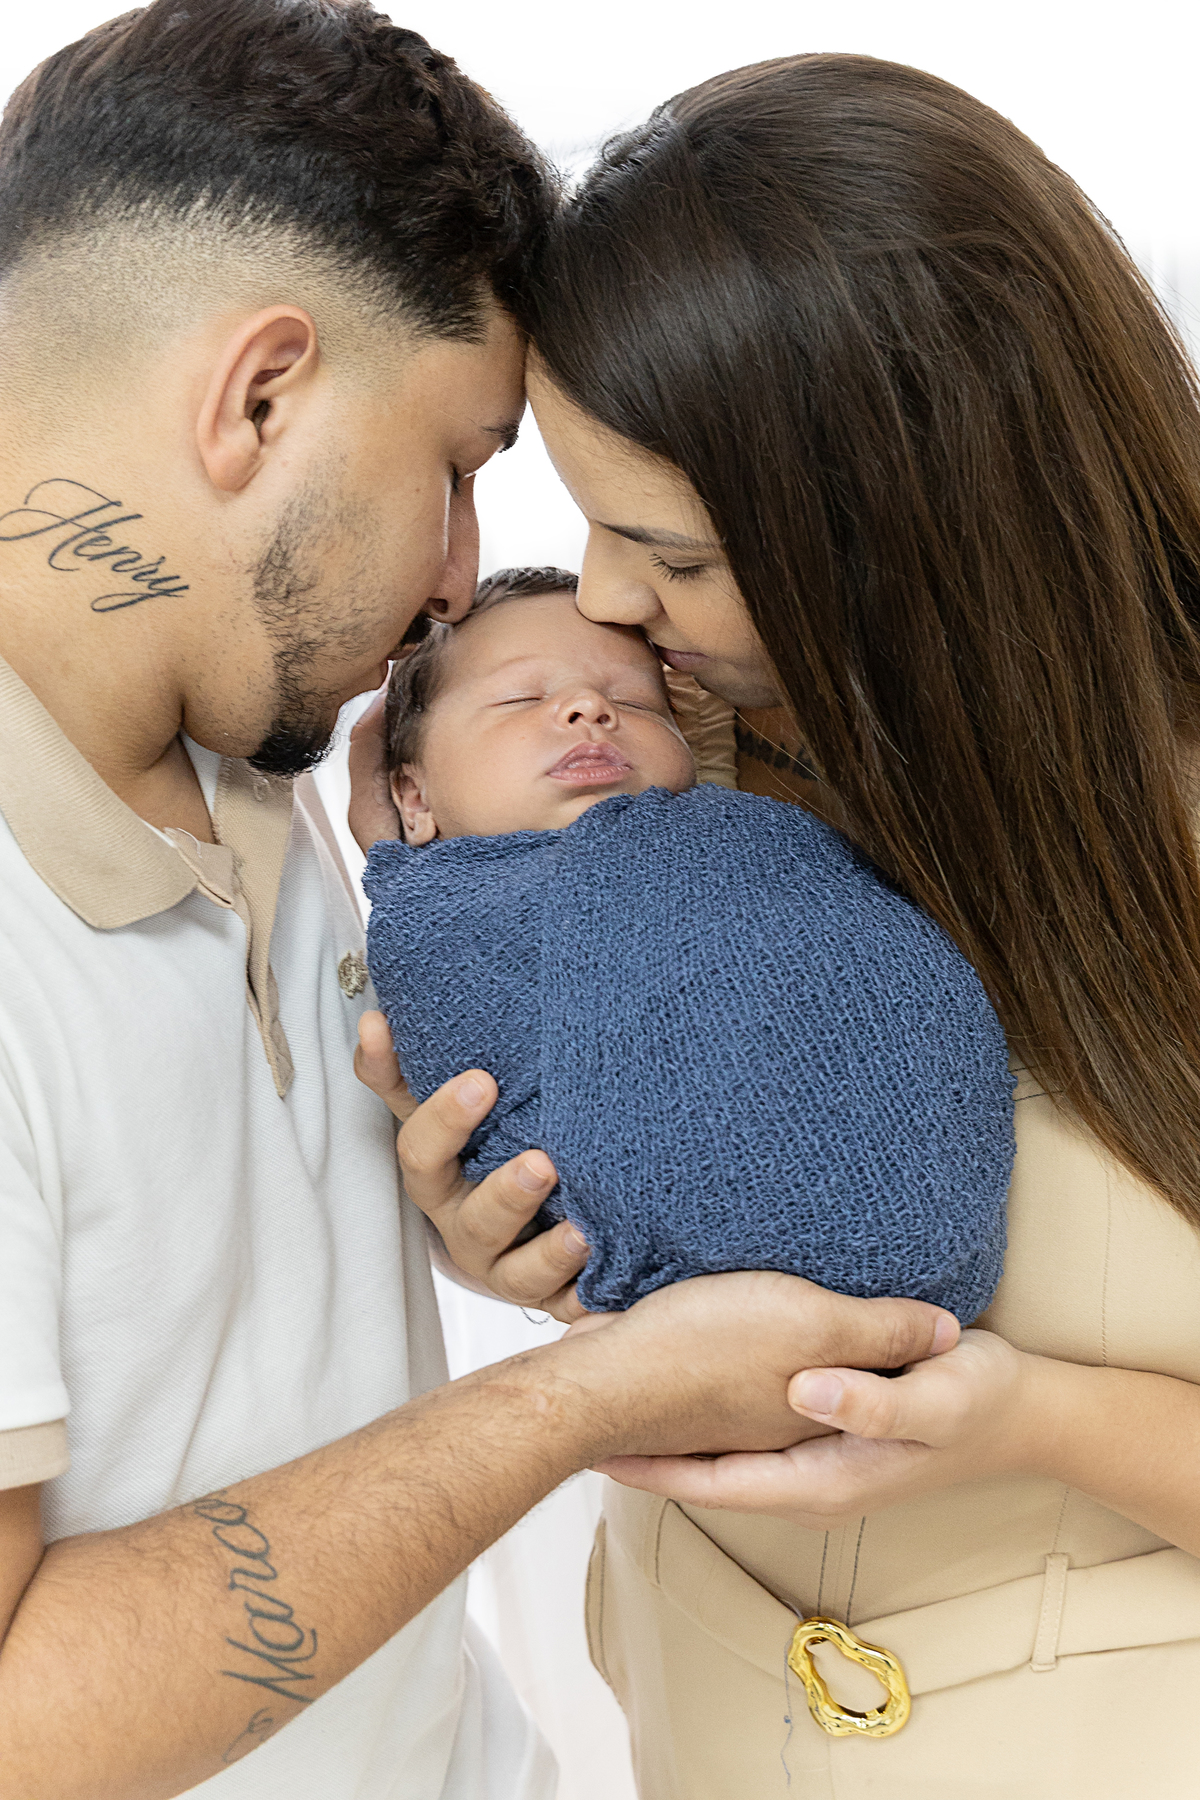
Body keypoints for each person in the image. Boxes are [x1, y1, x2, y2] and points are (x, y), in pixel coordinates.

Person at [0, 15, 958, 1800]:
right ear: (259, 397)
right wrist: (595, 1395)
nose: (464, 575)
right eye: (457, 466)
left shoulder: (271, 759)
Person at [472, 49, 1200, 1797]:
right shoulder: (669, 753)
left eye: (677, 552)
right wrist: (511, 1213)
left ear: (914, 525)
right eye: (582, 511)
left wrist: (1027, 1423)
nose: (602, 595)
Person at [363, 566, 1013, 1319]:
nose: (590, 709)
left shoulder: (750, 842)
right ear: (413, 799)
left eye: (637, 701)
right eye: (521, 697)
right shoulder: (444, 914)